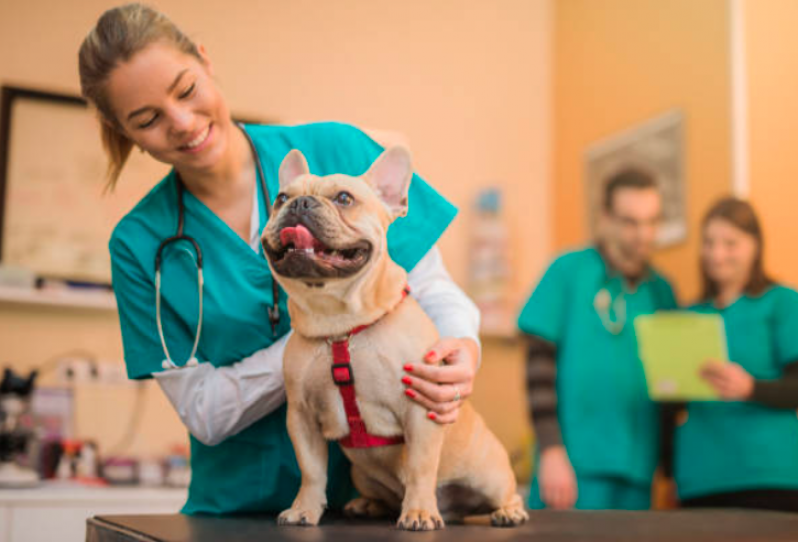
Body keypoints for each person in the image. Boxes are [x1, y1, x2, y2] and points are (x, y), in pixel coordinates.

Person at [78, 3, 482, 515]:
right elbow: (204, 412)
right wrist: (326, 335)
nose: (182, 123)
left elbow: (432, 290)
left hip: (384, 498)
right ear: (124, 131)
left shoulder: (336, 150)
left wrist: (461, 349)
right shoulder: (139, 244)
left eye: (186, 90)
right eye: (147, 119)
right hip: (239, 510)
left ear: (205, 60)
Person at [518, 168, 677, 510]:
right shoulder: (568, 271)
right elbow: (538, 367)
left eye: (651, 222)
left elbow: (669, 389)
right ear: (605, 218)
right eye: (630, 222)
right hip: (572, 468)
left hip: (637, 470)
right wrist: (551, 451)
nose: (643, 234)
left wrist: (668, 467)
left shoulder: (662, 291)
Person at [669, 197, 798, 512]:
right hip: (700, 479)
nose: (717, 254)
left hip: (769, 477)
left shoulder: (782, 303)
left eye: (730, 243)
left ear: (755, 246)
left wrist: (751, 388)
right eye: (709, 243)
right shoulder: (686, 316)